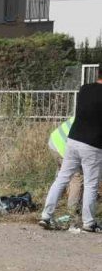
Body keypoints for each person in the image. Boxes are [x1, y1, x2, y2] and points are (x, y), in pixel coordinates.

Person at [40, 70, 102, 232]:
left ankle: (46, 216)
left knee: (62, 178)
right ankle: (88, 222)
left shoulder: (85, 89)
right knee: (90, 184)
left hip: (73, 139)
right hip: (92, 145)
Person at [47, 116, 82, 216]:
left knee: (61, 176)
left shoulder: (86, 109)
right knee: (76, 178)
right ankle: (72, 212)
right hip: (63, 146)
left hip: (54, 141)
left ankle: (52, 206)